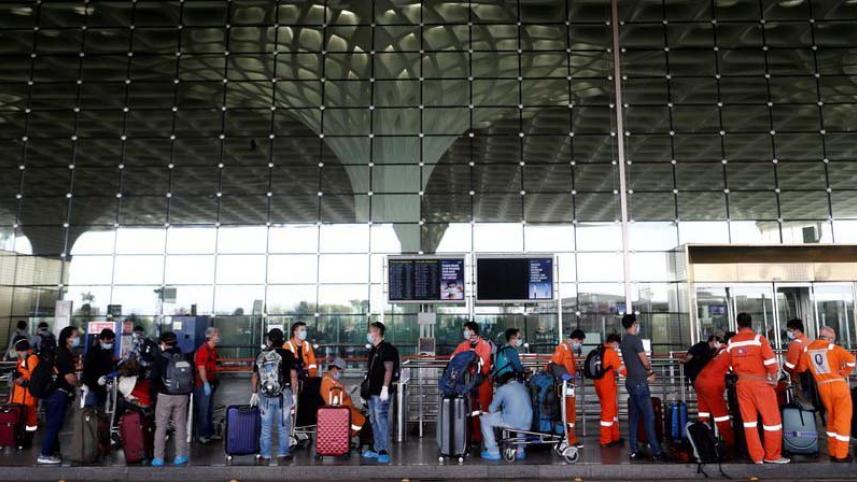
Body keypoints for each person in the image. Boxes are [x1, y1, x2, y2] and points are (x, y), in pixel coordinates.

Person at [725, 312, 789, 464]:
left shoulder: (731, 342)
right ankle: (772, 456)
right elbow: (770, 362)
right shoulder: (759, 339)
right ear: (751, 323)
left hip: (742, 385)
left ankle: (757, 457)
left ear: (737, 324)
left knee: (749, 422)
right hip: (761, 384)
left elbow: (728, 366)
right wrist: (774, 378)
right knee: (771, 421)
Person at [795, 326, 856, 463]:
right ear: (830, 338)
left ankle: (833, 451)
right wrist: (844, 372)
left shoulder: (808, 349)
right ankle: (841, 454)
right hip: (838, 385)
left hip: (822, 387)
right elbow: (851, 360)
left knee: (832, 418)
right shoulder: (833, 348)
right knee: (843, 419)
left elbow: (802, 368)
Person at [619, 314, 666, 461]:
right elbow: (644, 360)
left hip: (631, 382)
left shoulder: (623, 341)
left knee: (634, 418)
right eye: (636, 323)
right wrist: (650, 372)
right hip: (640, 383)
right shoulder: (634, 339)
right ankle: (656, 451)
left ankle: (634, 450)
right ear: (634, 324)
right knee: (649, 417)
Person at [249, 328, 298, 465]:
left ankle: (265, 454)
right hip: (285, 394)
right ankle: (283, 453)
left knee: (266, 426)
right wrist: (294, 395)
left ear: (269, 340)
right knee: (283, 425)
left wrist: (254, 393)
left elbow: (255, 377)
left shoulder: (261, 355)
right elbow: (293, 376)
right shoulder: (288, 354)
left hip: (265, 396)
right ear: (282, 340)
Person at [37, 325, 80, 465]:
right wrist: (80, 384)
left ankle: (52, 452)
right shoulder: (65, 353)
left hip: (51, 393)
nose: (78, 338)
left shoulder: (58, 351)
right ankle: (45, 454)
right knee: (54, 425)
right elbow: (69, 377)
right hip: (59, 394)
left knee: (52, 424)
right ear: (67, 338)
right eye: (76, 336)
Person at [361, 321, 399, 464]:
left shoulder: (387, 349)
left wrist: (385, 388)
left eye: (371, 331)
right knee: (373, 420)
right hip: (372, 392)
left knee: (381, 419)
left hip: (381, 392)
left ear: (377, 332)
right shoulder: (373, 350)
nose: (369, 334)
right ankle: (376, 448)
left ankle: (383, 450)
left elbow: (389, 369)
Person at [452, 321, 493, 444]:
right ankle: (475, 437)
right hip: (468, 383)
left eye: (466, 329)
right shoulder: (463, 345)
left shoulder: (485, 345)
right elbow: (453, 358)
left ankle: (487, 439)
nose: (465, 332)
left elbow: (481, 361)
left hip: (482, 383)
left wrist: (466, 360)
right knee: (471, 410)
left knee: (484, 410)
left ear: (473, 331)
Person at [479, 372, 533, 461]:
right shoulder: (523, 387)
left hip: (512, 421)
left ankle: (493, 451)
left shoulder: (503, 389)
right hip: (528, 421)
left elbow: (491, 409)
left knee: (484, 420)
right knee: (520, 420)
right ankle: (520, 451)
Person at [694, 331, 735, 448]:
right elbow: (735, 369)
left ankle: (703, 441)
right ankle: (730, 443)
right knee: (721, 415)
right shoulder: (729, 351)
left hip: (700, 381)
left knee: (703, 413)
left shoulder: (720, 350)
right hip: (711, 385)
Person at [548, 328, 586, 447]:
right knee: (567, 413)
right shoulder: (562, 348)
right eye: (580, 342)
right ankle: (568, 439)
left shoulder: (568, 350)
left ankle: (571, 438)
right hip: (564, 387)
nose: (580, 345)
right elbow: (553, 365)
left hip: (569, 386)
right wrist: (566, 377)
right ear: (576, 340)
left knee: (570, 413)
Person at [320, 357, 365, 436]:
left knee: (361, 413)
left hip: (345, 408)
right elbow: (330, 402)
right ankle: (348, 437)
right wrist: (347, 392)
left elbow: (338, 392)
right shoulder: (327, 382)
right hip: (341, 410)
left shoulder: (332, 380)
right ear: (334, 368)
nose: (341, 374)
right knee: (360, 420)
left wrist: (347, 391)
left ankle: (348, 438)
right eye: (341, 371)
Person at [594, 333, 625, 447]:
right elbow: (620, 369)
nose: (617, 347)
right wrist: (634, 375)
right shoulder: (611, 352)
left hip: (598, 383)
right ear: (614, 343)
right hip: (607, 384)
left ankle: (614, 437)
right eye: (617, 345)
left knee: (611, 411)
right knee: (608, 412)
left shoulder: (600, 350)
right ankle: (606, 440)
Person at [193, 326, 220, 444]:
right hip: (202, 384)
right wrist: (205, 383)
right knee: (203, 410)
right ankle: (202, 435)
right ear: (210, 336)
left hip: (211, 382)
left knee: (209, 410)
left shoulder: (213, 350)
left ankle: (210, 433)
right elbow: (201, 367)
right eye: (216, 334)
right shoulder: (203, 350)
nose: (218, 336)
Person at [10, 339, 40, 438]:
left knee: (29, 418)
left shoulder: (32, 358)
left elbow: (34, 378)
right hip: (19, 396)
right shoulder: (22, 359)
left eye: (18, 351)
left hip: (27, 396)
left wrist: (23, 381)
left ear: (23, 350)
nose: (17, 353)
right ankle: (20, 437)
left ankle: (27, 439)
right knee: (19, 417)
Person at [81, 328, 117, 408]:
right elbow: (87, 370)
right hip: (92, 387)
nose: (110, 344)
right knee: (90, 410)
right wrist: (96, 379)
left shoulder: (108, 353)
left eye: (112, 342)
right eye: (108, 342)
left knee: (101, 410)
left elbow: (109, 370)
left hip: (103, 388)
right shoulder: (92, 352)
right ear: (101, 340)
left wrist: (109, 383)